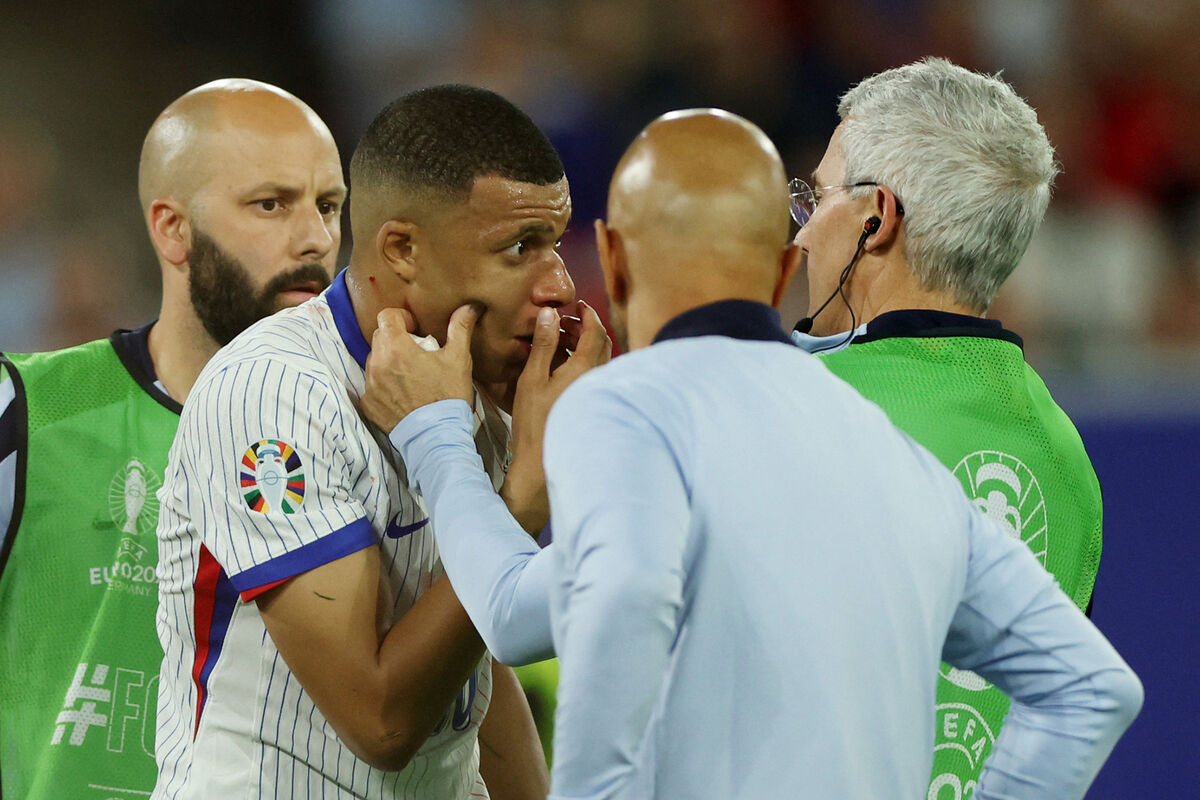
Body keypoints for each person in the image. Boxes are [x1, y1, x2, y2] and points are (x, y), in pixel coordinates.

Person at [366, 108, 1142, 799]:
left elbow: (519, 614)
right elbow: (1092, 687)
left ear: (612, 257)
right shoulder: (938, 453)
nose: (806, 226)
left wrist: (436, 431)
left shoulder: (640, 408)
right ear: (779, 271)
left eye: (818, 196)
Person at [152, 84, 609, 799]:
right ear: (402, 249)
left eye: (555, 242)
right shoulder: (272, 392)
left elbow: (472, 663)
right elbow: (381, 721)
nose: (558, 284)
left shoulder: (484, 383)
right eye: (520, 247)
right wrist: (519, 501)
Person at [0, 79, 345, 799]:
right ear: (172, 229)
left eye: (328, 205)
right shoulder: (26, 411)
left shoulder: (373, 434)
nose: (314, 237)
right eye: (271, 204)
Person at [787, 57, 1106, 795]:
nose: (801, 237)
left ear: (876, 218)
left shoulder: (792, 410)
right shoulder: (1068, 459)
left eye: (817, 197)